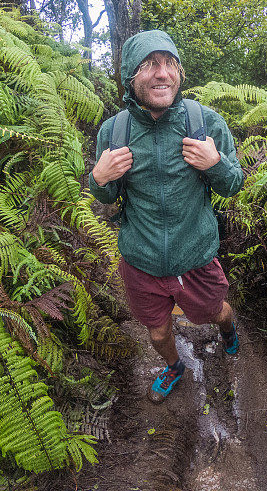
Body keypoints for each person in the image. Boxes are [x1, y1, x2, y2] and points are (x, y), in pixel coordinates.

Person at [89, 30, 245, 403]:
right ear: (130, 76)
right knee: (157, 333)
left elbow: (233, 184)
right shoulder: (114, 131)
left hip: (195, 256)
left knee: (216, 311)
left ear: (179, 73)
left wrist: (217, 165)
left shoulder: (204, 123)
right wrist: (99, 179)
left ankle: (228, 330)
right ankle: (174, 367)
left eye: (169, 64)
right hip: (141, 261)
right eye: (149, 65)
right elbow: (108, 197)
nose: (162, 73)